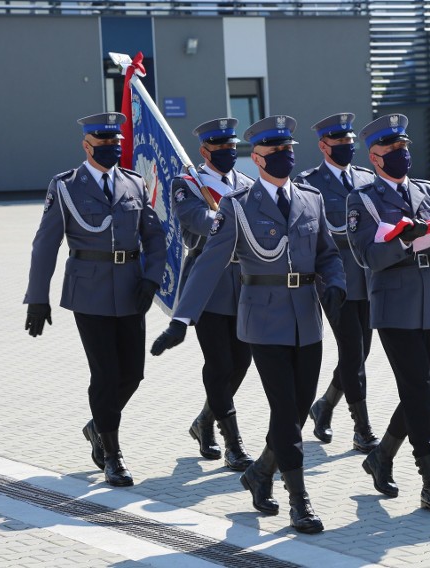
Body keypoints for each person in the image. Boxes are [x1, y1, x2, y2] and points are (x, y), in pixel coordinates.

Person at [151, 115, 346, 534]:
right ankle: (299, 501)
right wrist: (181, 320)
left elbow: (327, 253)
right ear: (257, 159)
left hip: (307, 321)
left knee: (296, 410)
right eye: (275, 152)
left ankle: (259, 472)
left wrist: (336, 283)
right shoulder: (237, 206)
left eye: (289, 149)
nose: (286, 156)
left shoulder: (311, 199)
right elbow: (207, 264)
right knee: (283, 410)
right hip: (264, 319)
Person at [24, 112, 166, 487]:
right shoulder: (67, 186)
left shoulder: (134, 183)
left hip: (131, 288)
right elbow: (45, 244)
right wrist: (38, 298)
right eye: (103, 145)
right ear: (86, 146)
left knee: (133, 374)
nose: (111, 150)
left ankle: (98, 425)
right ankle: (112, 453)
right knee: (105, 375)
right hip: (88, 291)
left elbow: (154, 235)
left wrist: (152, 278)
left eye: (115, 145)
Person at [346, 113, 430, 515]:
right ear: (375, 157)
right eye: (394, 150)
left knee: (426, 389)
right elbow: (367, 256)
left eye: (405, 147)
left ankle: (382, 456)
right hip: (393, 302)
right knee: (418, 389)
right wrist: (405, 240)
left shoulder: (428, 191)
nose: (403, 155)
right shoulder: (363, 198)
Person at [170, 118, 255, 471]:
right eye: (220, 149)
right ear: (205, 152)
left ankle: (205, 419)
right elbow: (197, 221)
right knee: (219, 364)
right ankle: (231, 440)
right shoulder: (188, 184)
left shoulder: (248, 184)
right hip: (209, 283)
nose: (228, 153)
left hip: (246, 282)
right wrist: (228, 219)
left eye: (232, 148)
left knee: (241, 363)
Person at [294, 113, 379, 453]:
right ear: (323, 146)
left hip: (369, 275)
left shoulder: (366, 177)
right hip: (335, 278)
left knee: (363, 351)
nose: (347, 147)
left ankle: (325, 405)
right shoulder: (310, 182)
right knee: (352, 351)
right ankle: (362, 427)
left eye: (349, 141)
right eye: (339, 142)